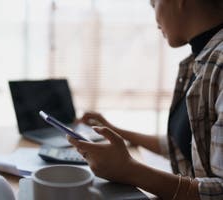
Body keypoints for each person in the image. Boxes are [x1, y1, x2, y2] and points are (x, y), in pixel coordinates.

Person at [68, 0, 223, 199]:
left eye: (153, 3)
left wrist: (129, 170)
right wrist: (113, 129)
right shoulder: (201, 61)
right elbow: (179, 144)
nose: (154, 16)